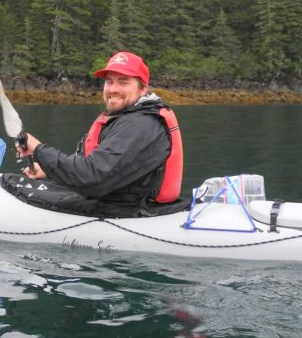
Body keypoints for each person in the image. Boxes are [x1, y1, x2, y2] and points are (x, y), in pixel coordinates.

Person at [13, 51, 184, 218]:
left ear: (142, 89)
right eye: (109, 82)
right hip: (116, 201)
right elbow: (93, 165)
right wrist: (47, 171)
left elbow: (91, 178)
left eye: (123, 82)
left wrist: (38, 149)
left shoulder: (142, 124)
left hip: (130, 211)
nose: (113, 89)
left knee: (14, 186)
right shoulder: (126, 117)